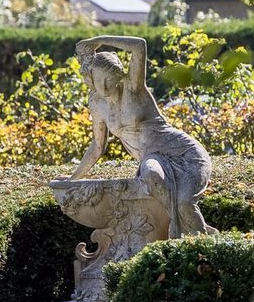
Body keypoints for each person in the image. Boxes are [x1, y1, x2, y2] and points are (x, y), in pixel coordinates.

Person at [54, 35, 215, 238]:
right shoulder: (97, 104)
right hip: (154, 158)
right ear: (91, 80)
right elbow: (97, 147)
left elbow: (139, 46)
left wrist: (100, 40)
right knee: (150, 175)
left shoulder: (133, 89)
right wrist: (73, 178)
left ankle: (201, 248)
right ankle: (186, 236)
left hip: (185, 153)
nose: (104, 87)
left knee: (185, 203)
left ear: (119, 75)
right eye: (98, 81)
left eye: (109, 80)